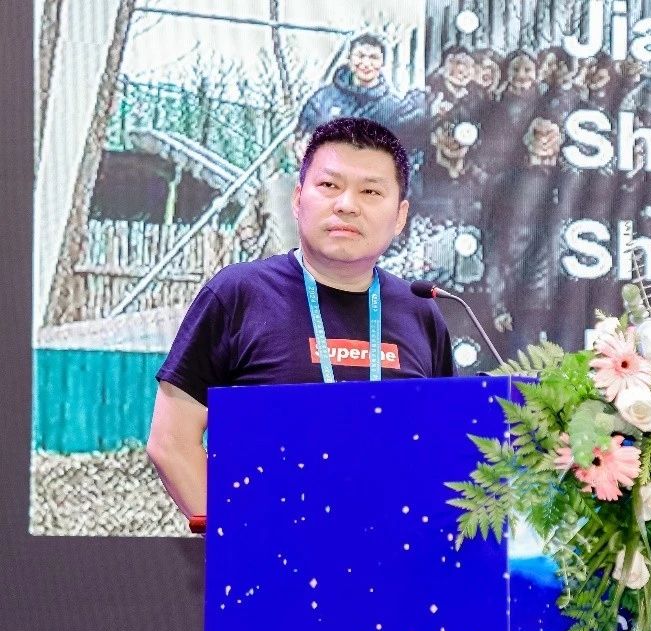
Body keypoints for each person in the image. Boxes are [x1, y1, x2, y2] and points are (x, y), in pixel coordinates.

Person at [148, 118, 455, 519]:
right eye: (329, 185)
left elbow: (445, 448)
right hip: (271, 552)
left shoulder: (420, 310)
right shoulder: (239, 294)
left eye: (370, 191)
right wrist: (239, 536)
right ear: (297, 199)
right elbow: (171, 442)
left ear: (399, 216)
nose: (346, 205)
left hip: (400, 551)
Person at [295, 35, 425, 147]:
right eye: (360, 56)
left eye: (373, 57)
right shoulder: (322, 99)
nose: (366, 63)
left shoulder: (392, 108)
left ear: (383, 63)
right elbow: (300, 138)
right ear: (349, 59)